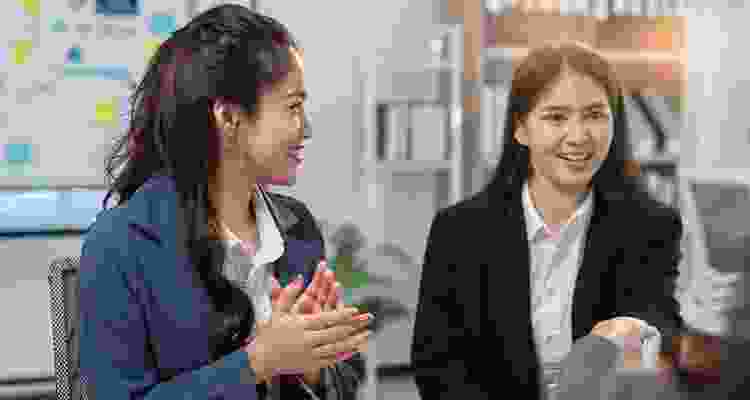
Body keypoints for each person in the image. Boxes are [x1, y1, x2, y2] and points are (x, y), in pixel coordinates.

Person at [79, 5, 371, 399]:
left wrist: (314, 368)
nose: (306, 128)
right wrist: (257, 362)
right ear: (229, 117)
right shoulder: (121, 244)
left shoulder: (296, 226)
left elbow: (344, 383)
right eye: (293, 107)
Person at [411, 41, 684, 400]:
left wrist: (640, 337)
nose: (578, 136)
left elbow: (661, 330)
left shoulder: (651, 227)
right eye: (556, 117)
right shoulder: (459, 231)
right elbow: (436, 365)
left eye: (595, 115)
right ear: (521, 128)